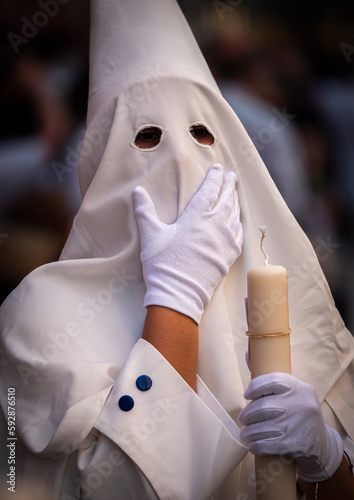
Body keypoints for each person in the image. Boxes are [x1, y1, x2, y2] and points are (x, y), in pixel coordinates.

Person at [0, 1, 353, 499]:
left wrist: (328, 457)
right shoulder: (35, 316)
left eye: (202, 134)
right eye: (146, 137)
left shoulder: (285, 292)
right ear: (103, 163)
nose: (181, 158)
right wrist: (176, 298)